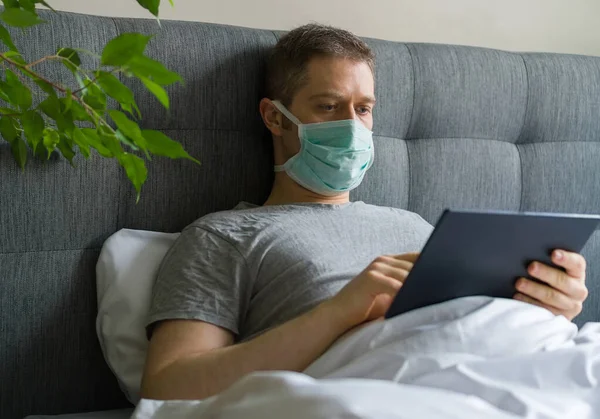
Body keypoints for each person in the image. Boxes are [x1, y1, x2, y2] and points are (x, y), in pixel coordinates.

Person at [140, 23, 589, 401]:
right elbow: (167, 386)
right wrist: (339, 311)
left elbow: (478, 329)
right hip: (385, 387)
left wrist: (550, 303)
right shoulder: (225, 236)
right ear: (275, 118)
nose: (352, 127)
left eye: (364, 109)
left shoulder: (416, 226)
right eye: (329, 107)